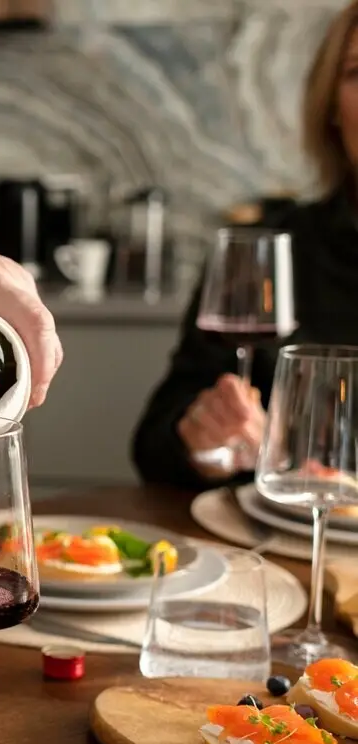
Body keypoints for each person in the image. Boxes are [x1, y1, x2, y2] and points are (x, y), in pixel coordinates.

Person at [133, 0, 358, 490]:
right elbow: (154, 443)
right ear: (332, 108)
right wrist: (205, 444)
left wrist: (286, 453)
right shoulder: (270, 249)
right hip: (278, 552)